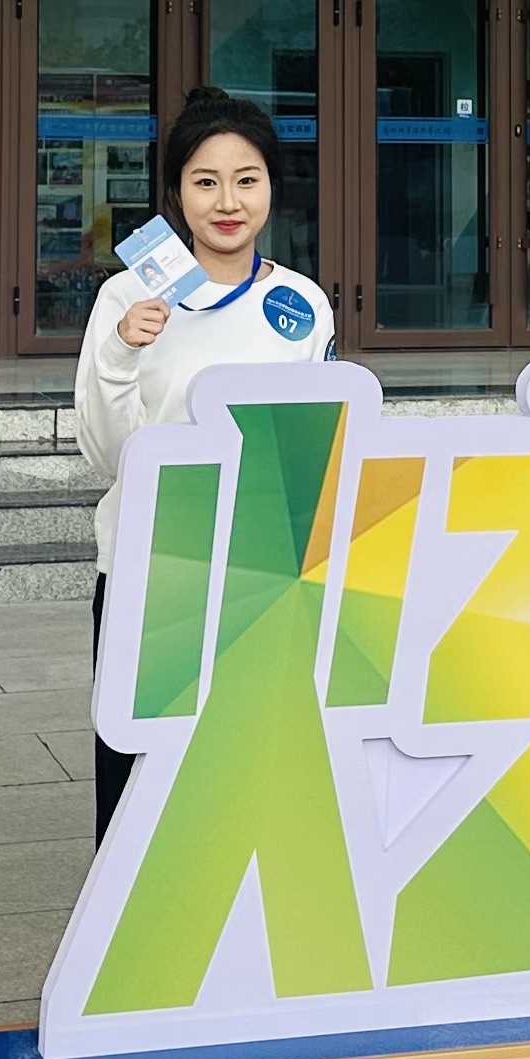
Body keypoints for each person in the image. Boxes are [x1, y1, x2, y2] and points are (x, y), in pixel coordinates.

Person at [73, 88, 330, 839]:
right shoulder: (129, 296)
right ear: (177, 192)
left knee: (250, 779)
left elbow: (314, 447)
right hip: (153, 570)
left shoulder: (302, 303)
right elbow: (107, 454)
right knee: (137, 785)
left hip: (263, 576)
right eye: (205, 181)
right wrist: (121, 351)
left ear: (272, 187)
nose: (227, 202)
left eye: (247, 180)